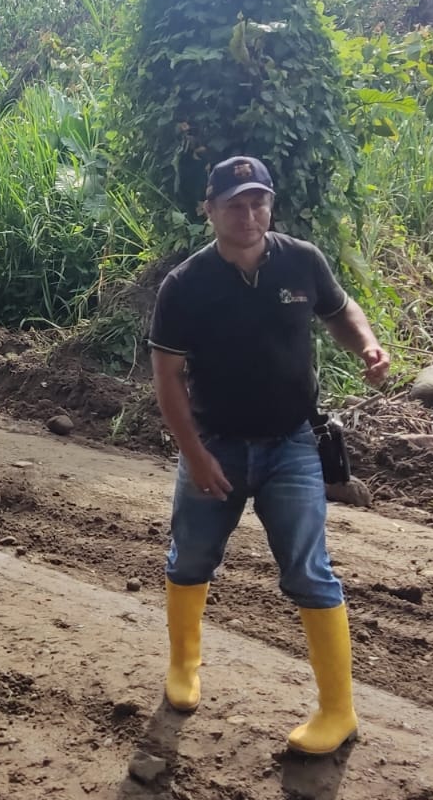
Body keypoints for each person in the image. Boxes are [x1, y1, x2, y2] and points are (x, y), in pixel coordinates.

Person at [146, 155, 390, 755]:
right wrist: (194, 454)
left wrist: (367, 345)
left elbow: (340, 310)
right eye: (234, 205)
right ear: (209, 211)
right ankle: (184, 668)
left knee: (309, 570)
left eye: (258, 202)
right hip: (216, 446)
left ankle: (337, 711)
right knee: (191, 557)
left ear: (271, 206)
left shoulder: (301, 260)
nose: (248, 215)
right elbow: (168, 378)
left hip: (292, 445)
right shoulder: (186, 285)